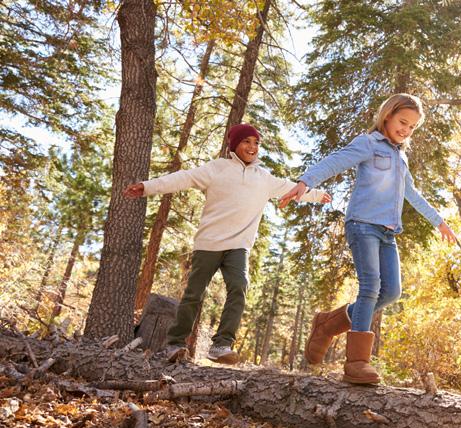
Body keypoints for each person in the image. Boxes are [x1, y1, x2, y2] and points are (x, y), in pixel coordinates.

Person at [279, 93, 458, 384]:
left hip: (387, 232)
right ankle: (357, 362)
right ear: (387, 115)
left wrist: (439, 222)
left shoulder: (401, 157)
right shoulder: (368, 143)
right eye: (403, 122)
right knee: (370, 287)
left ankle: (328, 324)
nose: (406, 130)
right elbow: (335, 161)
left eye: (412, 127)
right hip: (362, 224)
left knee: (391, 292)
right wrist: (305, 182)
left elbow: (411, 194)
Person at [124, 123, 330, 364]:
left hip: (239, 246)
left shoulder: (264, 178)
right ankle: (175, 344)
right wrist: (147, 187)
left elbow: (292, 188)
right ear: (235, 145)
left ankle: (221, 345)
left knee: (239, 286)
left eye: (256, 143)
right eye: (246, 142)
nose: (252, 147)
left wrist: (316, 195)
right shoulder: (217, 169)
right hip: (209, 243)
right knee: (193, 294)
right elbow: (183, 178)